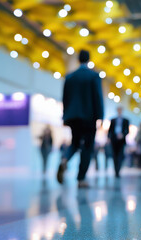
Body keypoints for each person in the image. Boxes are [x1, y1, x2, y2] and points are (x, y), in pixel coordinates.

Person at [57, 49, 104, 188]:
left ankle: (65, 159)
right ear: (89, 60)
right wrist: (100, 117)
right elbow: (98, 97)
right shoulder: (94, 76)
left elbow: (65, 98)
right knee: (87, 146)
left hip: (73, 117)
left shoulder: (70, 77)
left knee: (75, 143)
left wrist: (65, 116)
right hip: (89, 117)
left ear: (78, 59)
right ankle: (81, 178)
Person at [108, 106, 129, 178]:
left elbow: (127, 131)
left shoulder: (126, 120)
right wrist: (109, 138)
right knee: (114, 155)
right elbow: (110, 130)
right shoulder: (113, 120)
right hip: (114, 140)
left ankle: (118, 170)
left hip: (121, 141)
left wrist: (122, 135)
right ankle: (116, 170)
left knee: (120, 155)